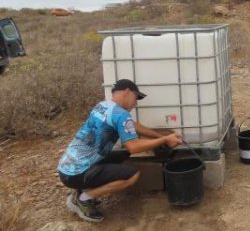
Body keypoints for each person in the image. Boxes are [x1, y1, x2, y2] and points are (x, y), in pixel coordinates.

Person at [57, 79, 182, 222]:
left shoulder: (103, 106)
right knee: (131, 175)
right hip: (77, 174)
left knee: (122, 154)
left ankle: (81, 191)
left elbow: (134, 126)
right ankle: (83, 198)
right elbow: (133, 147)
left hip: (67, 169)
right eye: (136, 98)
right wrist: (164, 140)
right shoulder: (121, 114)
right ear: (127, 92)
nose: (135, 103)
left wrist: (161, 136)